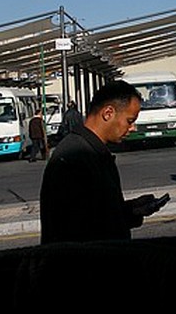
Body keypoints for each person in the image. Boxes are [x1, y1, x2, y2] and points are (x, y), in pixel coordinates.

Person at [39, 81, 168, 244]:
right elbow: (79, 229)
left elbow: (99, 214)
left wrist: (132, 210)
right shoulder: (74, 158)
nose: (133, 128)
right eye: (129, 121)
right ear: (108, 113)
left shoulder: (92, 152)